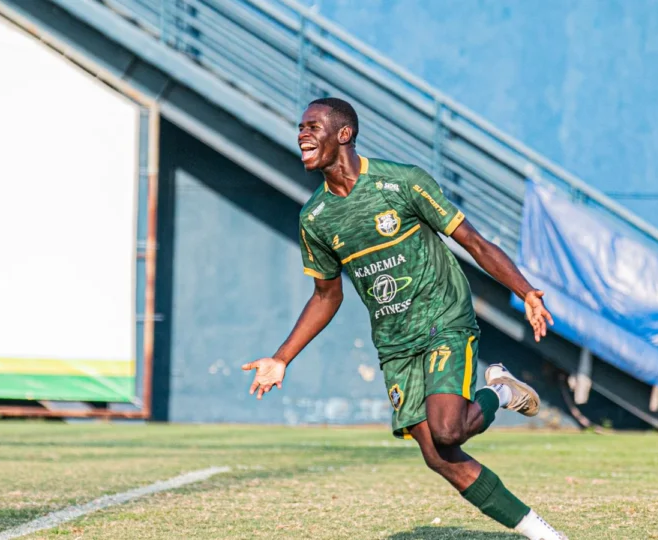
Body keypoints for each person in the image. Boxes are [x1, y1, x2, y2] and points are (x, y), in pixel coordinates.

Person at [242, 97, 567, 540]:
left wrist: (525, 291)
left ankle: (497, 393)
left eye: (312, 126)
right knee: (438, 454)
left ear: (344, 134)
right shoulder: (314, 218)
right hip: (395, 343)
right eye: (300, 127)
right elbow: (326, 295)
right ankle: (539, 525)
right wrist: (282, 358)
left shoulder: (403, 183)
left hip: (443, 316)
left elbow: (473, 241)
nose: (302, 133)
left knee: (448, 428)